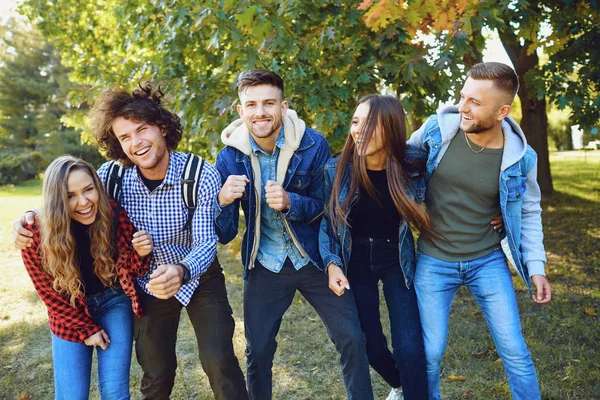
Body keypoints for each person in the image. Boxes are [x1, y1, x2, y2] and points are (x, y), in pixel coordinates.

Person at [15, 83, 248, 400]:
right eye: (125, 137)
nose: (136, 143)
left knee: (220, 363)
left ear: (162, 127)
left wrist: (180, 270)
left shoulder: (200, 173)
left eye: (142, 130)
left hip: (197, 273)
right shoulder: (111, 176)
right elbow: (70, 194)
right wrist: (30, 216)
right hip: (146, 279)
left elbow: (207, 243)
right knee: (156, 372)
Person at [214, 69, 373, 400]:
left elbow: (327, 206)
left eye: (269, 103)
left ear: (283, 107)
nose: (261, 112)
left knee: (353, 339)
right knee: (257, 352)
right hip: (265, 263)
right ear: (240, 110)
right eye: (252, 105)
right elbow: (225, 233)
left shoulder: (312, 145)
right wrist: (223, 201)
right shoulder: (229, 157)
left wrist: (291, 203)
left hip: (313, 258)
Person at [407, 62, 552, 400]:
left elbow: (529, 210)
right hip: (433, 259)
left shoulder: (521, 158)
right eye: (463, 97)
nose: (463, 108)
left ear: (503, 111)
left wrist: (537, 268)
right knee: (429, 353)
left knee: (514, 349)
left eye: (475, 102)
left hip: (486, 261)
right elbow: (398, 167)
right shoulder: (435, 131)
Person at [319, 95, 430, 400]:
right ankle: (402, 385)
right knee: (369, 342)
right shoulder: (336, 170)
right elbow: (328, 224)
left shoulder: (413, 166)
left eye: (371, 125)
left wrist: (495, 210)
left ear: (391, 130)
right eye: (356, 122)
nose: (359, 130)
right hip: (354, 261)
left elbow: (450, 191)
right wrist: (332, 264)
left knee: (409, 345)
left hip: (397, 258)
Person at [20, 155, 151, 399]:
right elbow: (48, 294)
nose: (84, 202)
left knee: (115, 392)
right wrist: (86, 329)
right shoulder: (34, 234)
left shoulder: (111, 213)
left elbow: (131, 270)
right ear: (56, 200)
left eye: (88, 189)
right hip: (68, 313)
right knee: (72, 395)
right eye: (70, 196)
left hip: (114, 302)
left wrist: (141, 254)